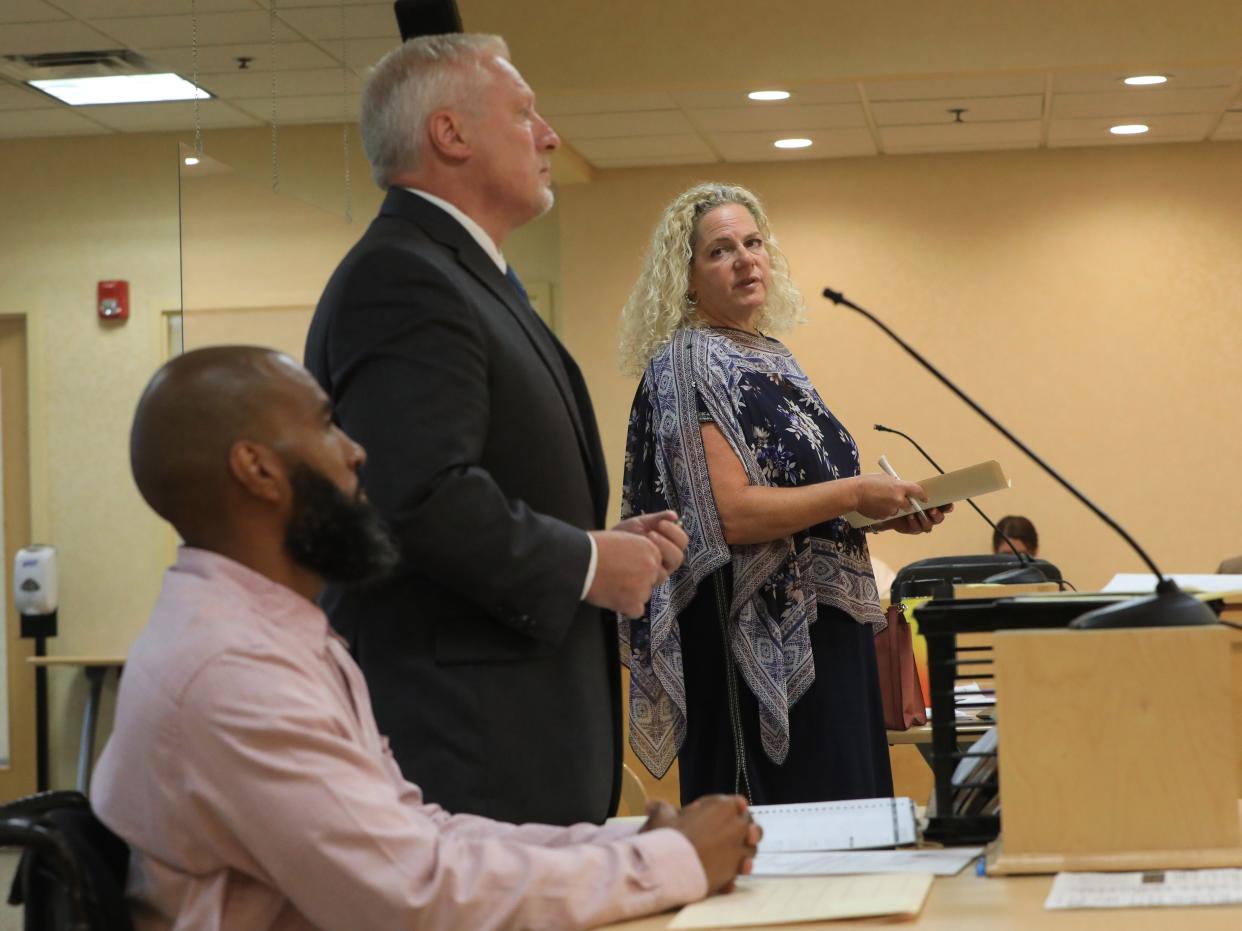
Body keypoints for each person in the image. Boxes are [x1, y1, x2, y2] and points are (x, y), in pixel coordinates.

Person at [92, 346, 760, 931]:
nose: (356, 450)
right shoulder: (230, 670)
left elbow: (418, 833)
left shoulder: (267, 632)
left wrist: (616, 851)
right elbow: (416, 896)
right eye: (327, 424)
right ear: (257, 469)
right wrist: (672, 861)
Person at [305, 34, 685, 825]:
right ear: (451, 135)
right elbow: (414, 497)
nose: (548, 135)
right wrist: (584, 562)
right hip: (466, 739)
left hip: (516, 720)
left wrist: (603, 543)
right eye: (525, 114)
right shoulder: (403, 276)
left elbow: (473, 477)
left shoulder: (464, 273)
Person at [617, 182, 952, 806]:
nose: (746, 259)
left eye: (753, 242)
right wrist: (854, 490)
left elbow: (807, 503)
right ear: (685, 278)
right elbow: (729, 516)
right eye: (721, 251)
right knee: (800, 843)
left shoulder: (773, 357)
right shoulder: (689, 362)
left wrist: (881, 511)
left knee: (850, 819)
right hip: (757, 643)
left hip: (829, 629)